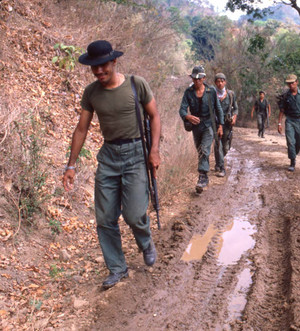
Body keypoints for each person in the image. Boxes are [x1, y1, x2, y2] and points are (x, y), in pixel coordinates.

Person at [62, 40, 161, 288]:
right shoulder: (91, 93)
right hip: (108, 156)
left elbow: (155, 116)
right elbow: (81, 128)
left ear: (114, 61)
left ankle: (146, 242)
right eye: (94, 68)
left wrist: (154, 150)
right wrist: (71, 166)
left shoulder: (136, 85)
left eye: (102, 66)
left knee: (135, 214)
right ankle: (117, 268)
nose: (98, 71)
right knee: (105, 218)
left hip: (136, 154)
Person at [179, 66, 223, 192]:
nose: (196, 81)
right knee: (200, 150)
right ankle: (205, 176)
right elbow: (182, 109)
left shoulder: (211, 91)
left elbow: (218, 109)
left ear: (204, 78)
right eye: (194, 79)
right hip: (195, 126)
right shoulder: (188, 92)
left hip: (208, 125)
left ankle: (202, 177)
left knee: (204, 149)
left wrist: (220, 125)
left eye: (199, 79)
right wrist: (187, 116)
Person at [278, 74, 300, 172]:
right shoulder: (285, 96)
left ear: (297, 82)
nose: (291, 85)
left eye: (292, 83)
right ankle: (292, 161)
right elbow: (282, 110)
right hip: (290, 120)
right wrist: (279, 123)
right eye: (289, 83)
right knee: (291, 142)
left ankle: (293, 154)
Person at [213, 73, 238, 177]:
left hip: (227, 124)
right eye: (218, 81)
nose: (220, 83)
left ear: (225, 82)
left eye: (222, 81)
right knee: (218, 144)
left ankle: (219, 162)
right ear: (215, 83)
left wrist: (234, 118)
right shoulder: (212, 95)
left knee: (226, 146)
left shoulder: (230, 95)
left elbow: (236, 108)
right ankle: (221, 167)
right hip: (215, 123)